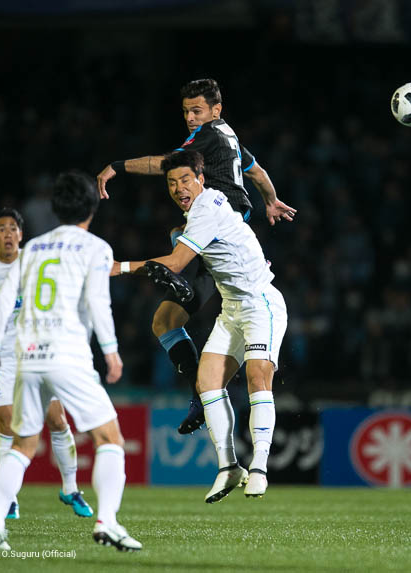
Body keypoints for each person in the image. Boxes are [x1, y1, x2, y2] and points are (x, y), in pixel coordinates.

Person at [97, 78, 296, 435]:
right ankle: (199, 394)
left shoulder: (209, 135)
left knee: (176, 258)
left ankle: (201, 391)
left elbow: (166, 164)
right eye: (186, 112)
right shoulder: (229, 137)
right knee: (165, 320)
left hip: (216, 242)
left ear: (216, 110)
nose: (190, 118)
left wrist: (117, 166)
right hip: (221, 244)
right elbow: (256, 171)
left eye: (197, 111)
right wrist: (270, 200)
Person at [0, 171, 140, 552]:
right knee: (110, 439)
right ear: (92, 207)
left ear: (55, 208)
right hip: (68, 355)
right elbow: (99, 301)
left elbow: (4, 299)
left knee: (22, 445)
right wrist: (111, 351)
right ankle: (107, 521)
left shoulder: (33, 247)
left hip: (28, 356)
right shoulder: (96, 247)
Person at [113, 150, 287, 502]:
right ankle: (229, 467)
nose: (179, 188)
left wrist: (120, 267)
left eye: (185, 180)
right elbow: (187, 239)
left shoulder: (206, 209)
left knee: (257, 377)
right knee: (207, 384)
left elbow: (177, 262)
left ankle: (259, 467)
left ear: (201, 180)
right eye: (171, 183)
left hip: (261, 304)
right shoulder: (200, 210)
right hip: (232, 309)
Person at [0, 207, 92, 520]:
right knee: (8, 425)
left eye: (13, 228)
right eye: (2, 229)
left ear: (21, 234)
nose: (8, 234)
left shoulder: (36, 262)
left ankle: (71, 488)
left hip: (39, 352)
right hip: (3, 358)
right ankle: (8, 499)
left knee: (57, 420)